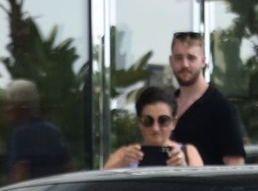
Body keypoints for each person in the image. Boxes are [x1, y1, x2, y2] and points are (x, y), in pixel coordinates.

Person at [165, 31, 247, 166]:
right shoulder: (167, 105)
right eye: (179, 58)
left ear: (203, 61)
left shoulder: (222, 108)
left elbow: (235, 166)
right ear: (171, 61)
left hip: (211, 187)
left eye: (191, 58)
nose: (185, 64)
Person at [104, 86, 203, 168]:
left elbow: (203, 188)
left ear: (174, 123)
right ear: (139, 122)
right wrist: (122, 164)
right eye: (148, 121)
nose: (155, 128)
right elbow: (101, 186)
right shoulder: (125, 154)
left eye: (163, 120)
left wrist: (184, 167)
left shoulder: (188, 153)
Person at [5, 78, 69, 181]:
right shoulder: (53, 131)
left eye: (10, 104)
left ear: (23, 106)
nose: (7, 109)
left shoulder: (21, 134)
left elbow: (21, 174)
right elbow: (68, 167)